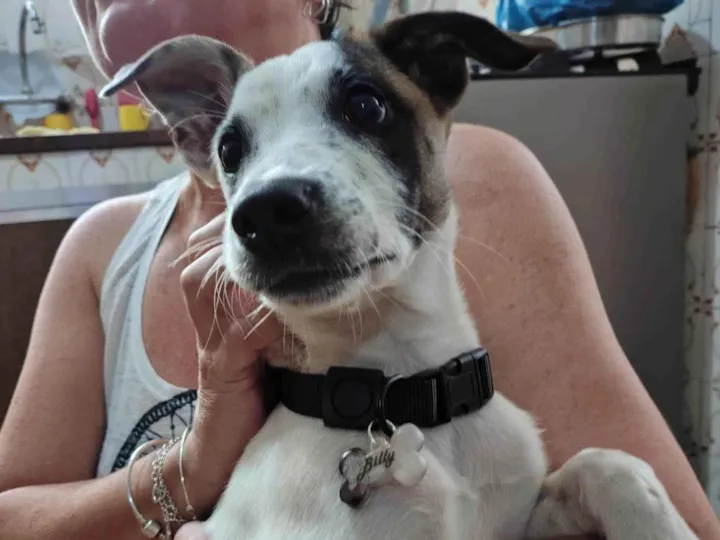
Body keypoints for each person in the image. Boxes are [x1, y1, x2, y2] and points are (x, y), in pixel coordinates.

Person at [0, 1, 716, 539]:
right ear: (195, 138)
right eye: (235, 151)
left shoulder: (512, 444)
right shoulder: (100, 248)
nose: (267, 201)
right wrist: (190, 469)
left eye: (362, 109)